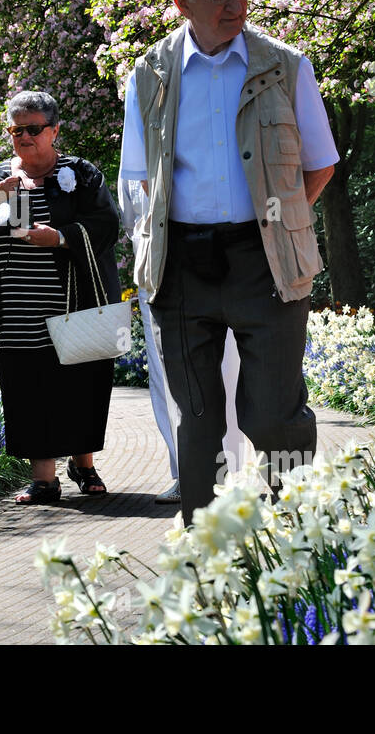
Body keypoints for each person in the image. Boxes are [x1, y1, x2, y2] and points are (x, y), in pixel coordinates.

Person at [119, 0, 339, 522]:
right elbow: (143, 179)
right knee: (198, 419)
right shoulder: (150, 75)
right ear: (180, 1)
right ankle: (204, 543)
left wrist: (277, 220)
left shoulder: (287, 68)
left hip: (266, 262)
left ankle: (293, 530)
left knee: (273, 414)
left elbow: (319, 165)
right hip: (182, 267)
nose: (234, 5)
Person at [0, 90, 121, 504]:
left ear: (54, 131)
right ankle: (44, 480)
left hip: (74, 299)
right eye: (16, 130)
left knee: (81, 383)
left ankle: (83, 466)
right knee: (27, 388)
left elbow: (105, 224)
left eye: (33, 129)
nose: (24, 137)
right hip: (15, 308)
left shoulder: (79, 174)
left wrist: (62, 237)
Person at [119, 178, 252, 505]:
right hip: (157, 273)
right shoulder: (134, 156)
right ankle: (188, 475)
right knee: (167, 379)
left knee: (227, 369)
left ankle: (227, 473)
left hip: (217, 263)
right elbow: (129, 218)